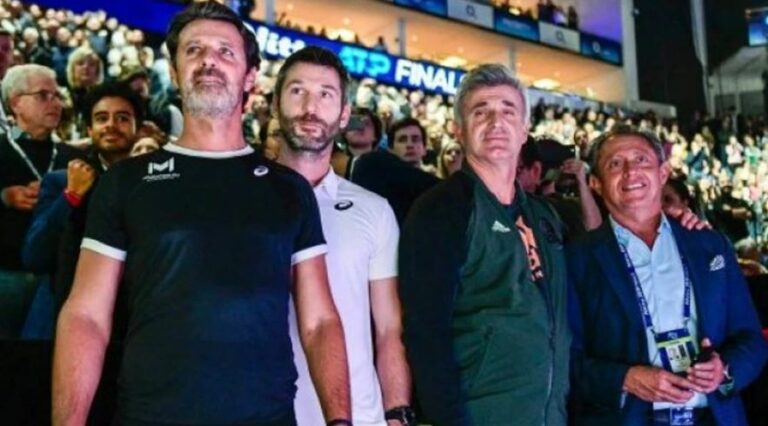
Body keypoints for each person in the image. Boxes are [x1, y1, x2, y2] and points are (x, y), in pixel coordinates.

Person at [52, 3, 350, 425]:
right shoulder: (125, 183)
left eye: (225, 51)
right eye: (193, 50)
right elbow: (86, 315)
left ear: (250, 77)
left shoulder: (289, 190)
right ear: (174, 73)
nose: (209, 60)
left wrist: (340, 420)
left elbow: (320, 321)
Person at [399, 64, 570, 425]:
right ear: (458, 129)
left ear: (524, 129)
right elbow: (426, 333)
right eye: (481, 112)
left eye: (508, 111)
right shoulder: (440, 209)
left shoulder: (545, 216)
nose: (496, 122)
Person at [567, 125, 768, 425]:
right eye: (615, 164)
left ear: (663, 173)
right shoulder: (577, 259)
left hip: (711, 417)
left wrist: (724, 371)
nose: (631, 172)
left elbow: (751, 339)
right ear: (595, 183)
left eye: (641, 160)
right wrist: (626, 379)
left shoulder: (709, 245)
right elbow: (565, 359)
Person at [275, 46, 414, 426]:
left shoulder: (374, 210)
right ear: (274, 104)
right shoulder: (242, 199)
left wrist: (397, 413)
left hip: (360, 416)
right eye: (297, 91)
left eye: (326, 94)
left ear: (343, 115)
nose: (310, 107)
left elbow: (388, 328)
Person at [22, 81, 143, 327]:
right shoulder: (61, 181)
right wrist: (71, 196)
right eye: (101, 118)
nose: (111, 125)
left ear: (138, 129)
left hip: (134, 322)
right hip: (63, 318)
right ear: (89, 129)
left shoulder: (153, 185)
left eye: (122, 118)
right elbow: (35, 256)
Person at [0, 64, 78, 338]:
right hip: (6, 273)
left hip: (57, 280)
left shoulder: (73, 157)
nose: (55, 103)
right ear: (16, 103)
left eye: (57, 96)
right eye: (43, 95)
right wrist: (3, 197)